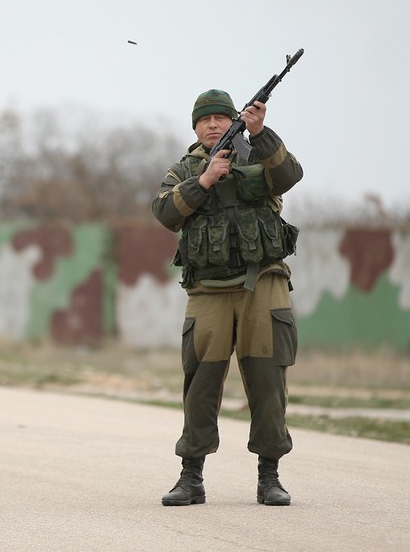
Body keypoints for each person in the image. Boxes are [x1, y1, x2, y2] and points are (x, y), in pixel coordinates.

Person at [151, 89, 303, 507]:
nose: (213, 125)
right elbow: (164, 212)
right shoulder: (184, 168)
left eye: (220, 117)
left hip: (263, 284)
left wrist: (261, 132)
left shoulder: (257, 155)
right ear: (195, 128)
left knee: (268, 381)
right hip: (208, 291)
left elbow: (290, 175)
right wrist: (203, 181)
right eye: (205, 120)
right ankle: (191, 477)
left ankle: (269, 477)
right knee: (200, 382)